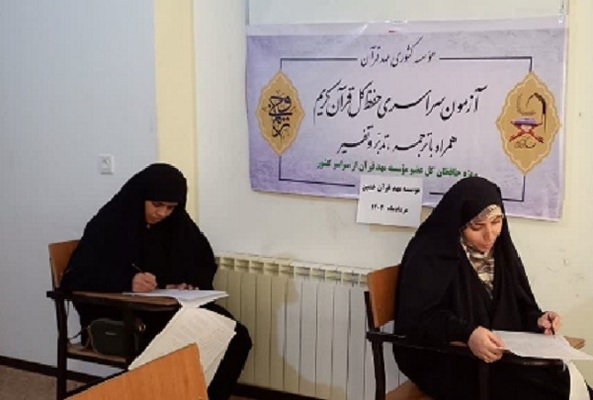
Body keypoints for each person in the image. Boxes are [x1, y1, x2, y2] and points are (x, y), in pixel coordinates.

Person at [61, 163, 252, 400]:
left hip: (165, 307)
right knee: (186, 340)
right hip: (121, 314)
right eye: (157, 204)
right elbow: (76, 276)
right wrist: (127, 281)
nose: (162, 213)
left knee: (235, 334)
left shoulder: (176, 223)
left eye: (170, 207)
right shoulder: (110, 223)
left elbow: (201, 260)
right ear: (141, 196)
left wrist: (185, 283)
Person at [393, 176, 590, 400]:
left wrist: (537, 320)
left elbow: (518, 304)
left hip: (497, 355)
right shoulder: (430, 252)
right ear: (459, 223)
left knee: (568, 384)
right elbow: (419, 318)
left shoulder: (501, 250)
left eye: (496, 221)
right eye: (477, 227)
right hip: (449, 358)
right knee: (547, 393)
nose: (490, 235)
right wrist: (467, 333)